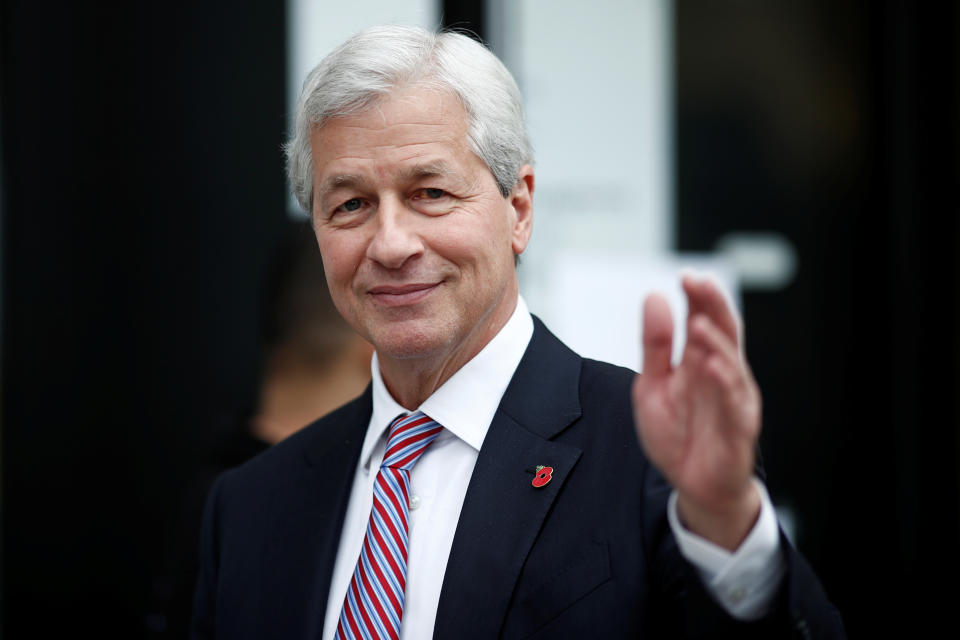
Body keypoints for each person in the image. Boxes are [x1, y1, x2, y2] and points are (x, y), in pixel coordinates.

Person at [192, 26, 844, 639]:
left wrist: (729, 528)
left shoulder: (650, 455)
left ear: (519, 209)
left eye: (430, 193)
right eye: (351, 205)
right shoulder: (251, 508)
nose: (390, 244)